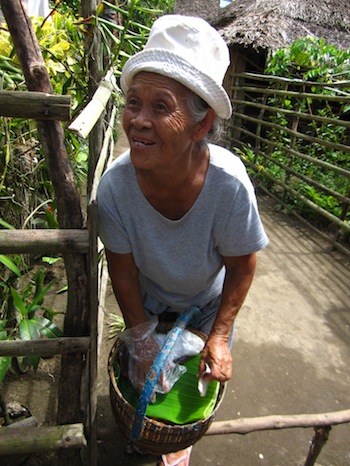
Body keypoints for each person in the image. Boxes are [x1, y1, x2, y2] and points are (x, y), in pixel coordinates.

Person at [97, 14, 269, 466]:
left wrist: (220, 336)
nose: (138, 121)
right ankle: (145, 434)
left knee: (183, 400)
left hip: (207, 304)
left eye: (160, 106)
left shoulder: (229, 186)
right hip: (150, 297)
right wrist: (139, 332)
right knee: (145, 387)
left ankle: (176, 441)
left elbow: (242, 264)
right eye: (133, 102)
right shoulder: (115, 188)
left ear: (200, 124)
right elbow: (122, 267)